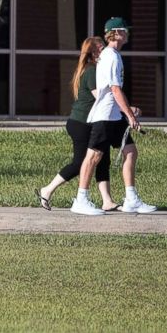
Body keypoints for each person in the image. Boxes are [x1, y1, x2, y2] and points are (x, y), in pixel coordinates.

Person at [71, 17, 156, 216]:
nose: (128, 34)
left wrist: (124, 113)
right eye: (125, 30)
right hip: (105, 116)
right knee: (94, 156)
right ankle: (81, 200)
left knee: (131, 151)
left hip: (114, 116)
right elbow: (115, 89)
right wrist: (130, 115)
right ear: (116, 33)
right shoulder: (110, 56)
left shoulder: (113, 55)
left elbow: (116, 90)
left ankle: (131, 199)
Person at [35, 37, 118, 211]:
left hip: (93, 123)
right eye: (101, 48)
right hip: (81, 124)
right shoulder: (92, 71)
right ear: (94, 53)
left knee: (103, 160)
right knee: (81, 162)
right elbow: (101, 98)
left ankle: (107, 201)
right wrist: (126, 107)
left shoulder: (96, 70)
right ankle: (47, 190)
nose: (106, 50)